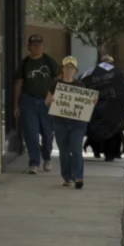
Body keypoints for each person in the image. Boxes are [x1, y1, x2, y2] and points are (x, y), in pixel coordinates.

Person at [15, 34, 60, 174]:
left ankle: (46, 158)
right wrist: (16, 105)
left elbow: (59, 78)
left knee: (47, 134)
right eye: (34, 45)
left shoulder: (48, 61)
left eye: (39, 45)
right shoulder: (25, 63)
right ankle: (34, 162)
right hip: (28, 101)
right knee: (31, 134)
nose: (37, 47)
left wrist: (55, 97)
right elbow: (18, 84)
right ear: (29, 47)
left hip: (46, 102)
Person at [46, 57, 93, 189]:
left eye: (72, 68)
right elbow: (47, 101)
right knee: (64, 152)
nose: (69, 70)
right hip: (60, 123)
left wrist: (91, 103)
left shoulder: (80, 85)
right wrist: (52, 101)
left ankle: (78, 177)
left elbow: (85, 103)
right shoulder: (56, 84)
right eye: (67, 67)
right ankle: (67, 177)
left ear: (75, 70)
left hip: (77, 124)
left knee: (76, 150)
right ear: (62, 69)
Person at [81, 55, 124, 162]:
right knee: (112, 132)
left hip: (99, 110)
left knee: (97, 131)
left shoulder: (91, 73)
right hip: (111, 111)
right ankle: (110, 154)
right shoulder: (117, 74)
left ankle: (102, 151)